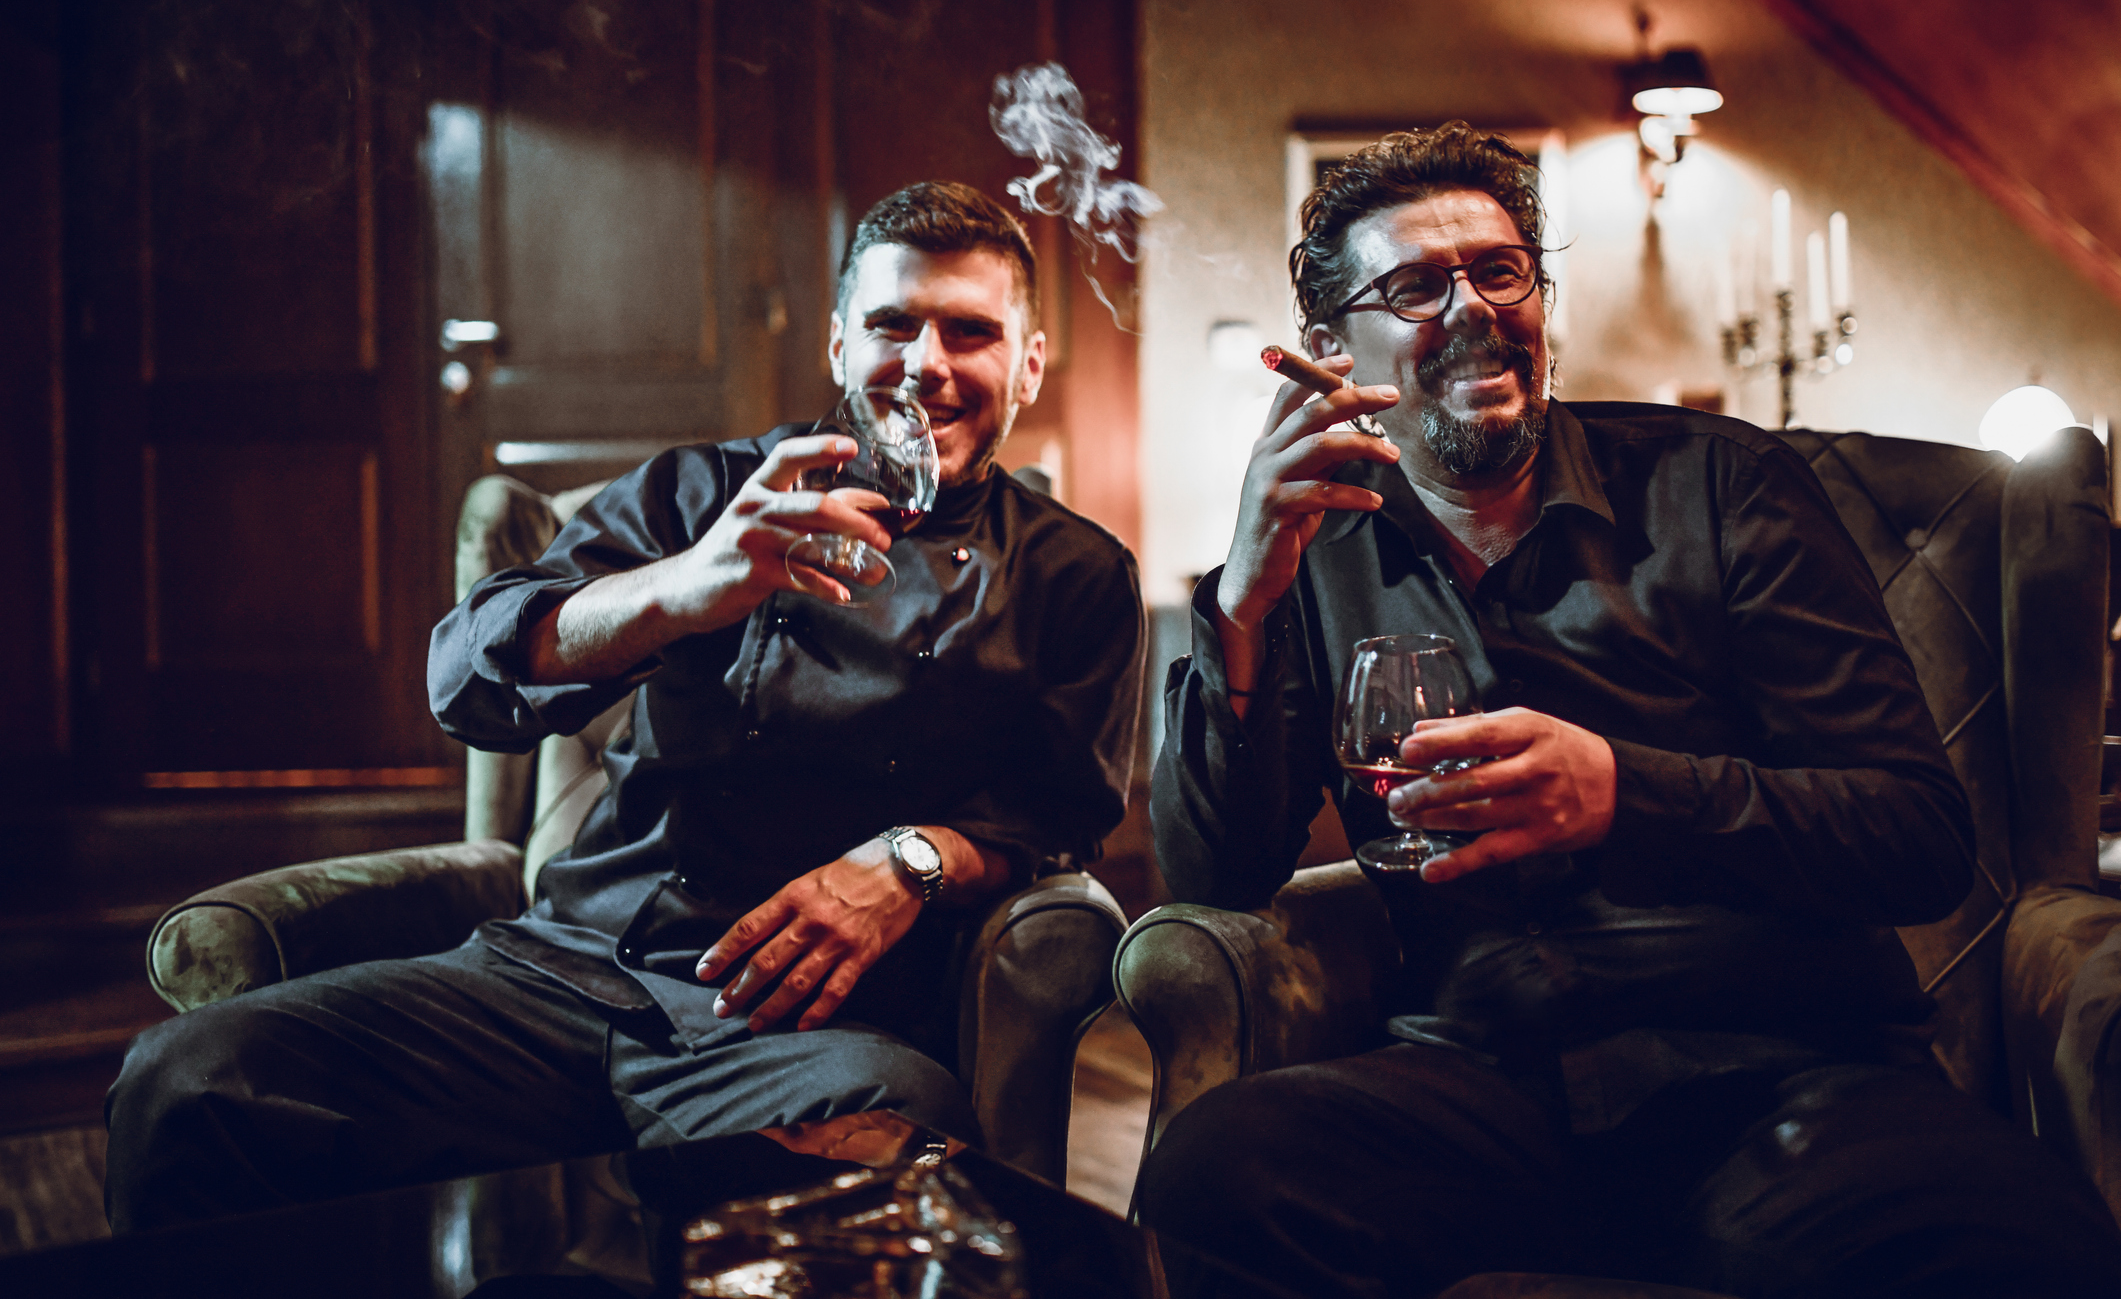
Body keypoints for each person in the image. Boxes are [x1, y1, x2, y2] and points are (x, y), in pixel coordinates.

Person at [1139, 124, 2121, 1296]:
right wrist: (1241, 601)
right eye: (1413, 286)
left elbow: (1918, 837)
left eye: (1500, 271)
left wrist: (1620, 792)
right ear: (1326, 347)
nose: (1471, 308)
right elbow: (1214, 868)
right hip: (1490, 1082)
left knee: (2034, 1252)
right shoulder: (1314, 551)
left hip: (1787, 1077)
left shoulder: (1723, 483)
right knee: (1213, 1174)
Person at [105, 181, 1146, 1232]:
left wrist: (913, 859)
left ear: (1028, 362)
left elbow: (1059, 817)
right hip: (561, 976)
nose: (925, 362)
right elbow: (465, 678)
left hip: (794, 1032)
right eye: (892, 325)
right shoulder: (703, 496)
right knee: (190, 1077)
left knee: (891, 1128)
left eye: (969, 331)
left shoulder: (1076, 573)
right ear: (839, 346)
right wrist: (685, 586)